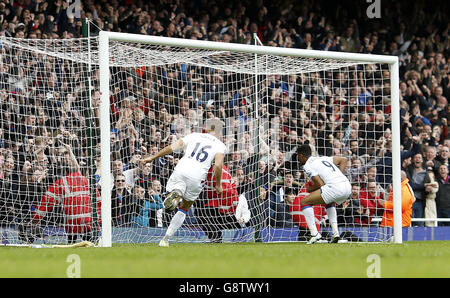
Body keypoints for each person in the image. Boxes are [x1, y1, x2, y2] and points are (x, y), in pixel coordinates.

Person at [140, 118, 227, 247]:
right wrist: (218, 185)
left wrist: (152, 157)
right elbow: (218, 166)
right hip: (197, 177)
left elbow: (171, 148)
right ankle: (166, 239)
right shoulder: (220, 145)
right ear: (219, 131)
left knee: (177, 190)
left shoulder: (193, 135)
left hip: (182, 169)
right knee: (184, 208)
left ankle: (174, 194)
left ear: (206, 128)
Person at [31, 139, 99, 244]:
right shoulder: (88, 181)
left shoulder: (61, 182)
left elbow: (46, 202)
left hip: (72, 223)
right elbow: (98, 201)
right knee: (90, 244)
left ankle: (71, 245)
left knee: (71, 244)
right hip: (89, 222)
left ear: (65, 171)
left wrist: (35, 220)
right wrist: (98, 220)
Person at [296, 144, 351, 243]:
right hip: (347, 186)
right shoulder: (323, 158)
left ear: (300, 155)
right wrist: (339, 176)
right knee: (328, 202)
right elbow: (344, 160)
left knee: (304, 202)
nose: (298, 159)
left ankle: (315, 234)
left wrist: (310, 188)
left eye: (298, 156)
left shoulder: (307, 166)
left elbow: (320, 184)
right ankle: (335, 234)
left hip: (335, 187)